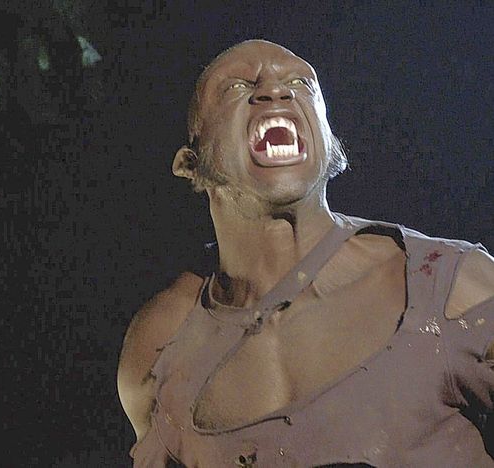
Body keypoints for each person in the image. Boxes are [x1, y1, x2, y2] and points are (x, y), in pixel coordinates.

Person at [117, 39, 494, 467]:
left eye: (300, 83)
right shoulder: (161, 343)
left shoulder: (454, 288)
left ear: (331, 143)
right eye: (236, 87)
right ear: (191, 161)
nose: (274, 91)